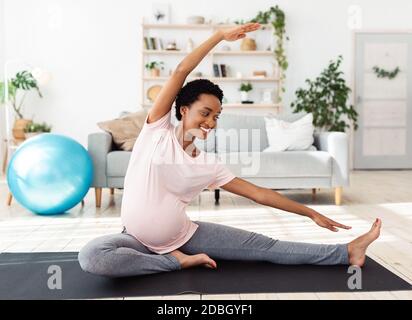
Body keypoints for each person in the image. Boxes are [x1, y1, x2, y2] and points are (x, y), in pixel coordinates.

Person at [79, 23, 381, 277]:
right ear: (183, 110)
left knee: (266, 247)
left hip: (186, 235)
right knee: (92, 256)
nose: (210, 122)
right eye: (205, 112)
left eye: (216, 117)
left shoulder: (208, 164)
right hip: (134, 240)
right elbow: (180, 71)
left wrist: (310, 212)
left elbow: (259, 194)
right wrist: (218, 36)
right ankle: (175, 261)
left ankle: (346, 252)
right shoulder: (156, 130)